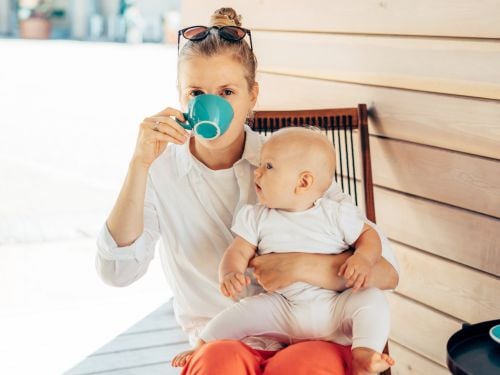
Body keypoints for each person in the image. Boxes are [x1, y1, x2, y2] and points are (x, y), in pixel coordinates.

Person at [96, 7, 399, 375]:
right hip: (223, 336)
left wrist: (303, 266)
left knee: (304, 366)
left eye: (228, 91)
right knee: (219, 364)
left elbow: (387, 273)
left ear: (252, 95)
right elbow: (117, 272)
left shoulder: (287, 164)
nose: (212, 105)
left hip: (314, 334)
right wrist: (139, 164)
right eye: (196, 92)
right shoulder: (161, 170)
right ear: (181, 97)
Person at [171, 127, 395, 375]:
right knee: (239, 313)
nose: (257, 171)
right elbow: (237, 251)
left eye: (268, 166)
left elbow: (368, 235)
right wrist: (230, 273)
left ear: (303, 182)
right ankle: (202, 346)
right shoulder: (257, 217)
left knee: (372, 300)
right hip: (284, 306)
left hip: (334, 307)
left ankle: (364, 356)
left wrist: (363, 257)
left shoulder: (334, 214)